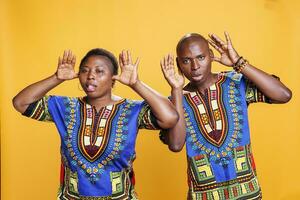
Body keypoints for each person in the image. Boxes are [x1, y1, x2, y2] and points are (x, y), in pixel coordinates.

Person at [13, 48, 178, 199]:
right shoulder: (64, 107)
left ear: (114, 79)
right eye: (84, 70)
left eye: (99, 71)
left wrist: (136, 84)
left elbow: (170, 117)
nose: (90, 76)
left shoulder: (131, 110)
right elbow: (20, 103)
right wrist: (56, 78)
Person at [160, 32, 292, 200]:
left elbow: (283, 95)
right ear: (179, 64)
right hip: (203, 195)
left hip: (247, 192)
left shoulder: (235, 83)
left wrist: (239, 63)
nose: (195, 66)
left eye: (201, 57)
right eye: (186, 60)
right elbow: (176, 145)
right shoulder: (176, 101)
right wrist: (176, 90)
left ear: (211, 56)